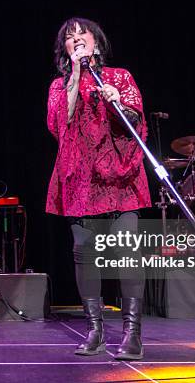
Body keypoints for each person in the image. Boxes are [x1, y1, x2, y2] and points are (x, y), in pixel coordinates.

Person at [46, 18, 151, 360]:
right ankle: (95, 331)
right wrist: (77, 75)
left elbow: (135, 121)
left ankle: (132, 334)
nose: (76, 40)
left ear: (97, 42)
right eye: (69, 38)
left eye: (82, 35)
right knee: (84, 253)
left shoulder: (120, 76)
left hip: (120, 176)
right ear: (65, 50)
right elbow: (59, 124)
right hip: (79, 178)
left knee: (127, 252)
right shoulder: (59, 86)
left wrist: (115, 99)